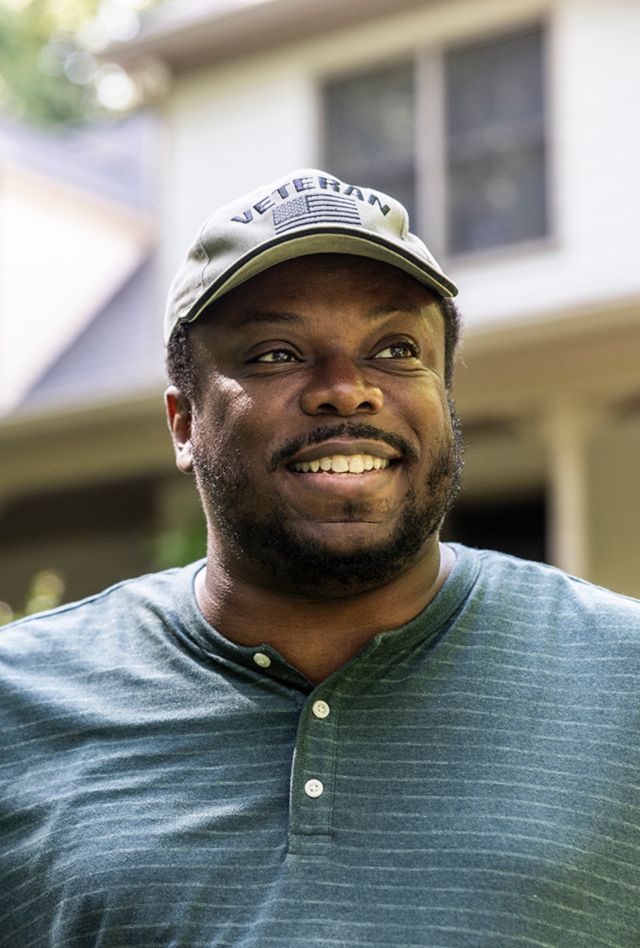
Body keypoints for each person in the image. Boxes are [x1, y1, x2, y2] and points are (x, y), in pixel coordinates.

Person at [1, 169, 639, 947]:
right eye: (275, 353)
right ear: (182, 422)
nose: (346, 389)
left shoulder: (624, 678)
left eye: (397, 348)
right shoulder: (20, 707)